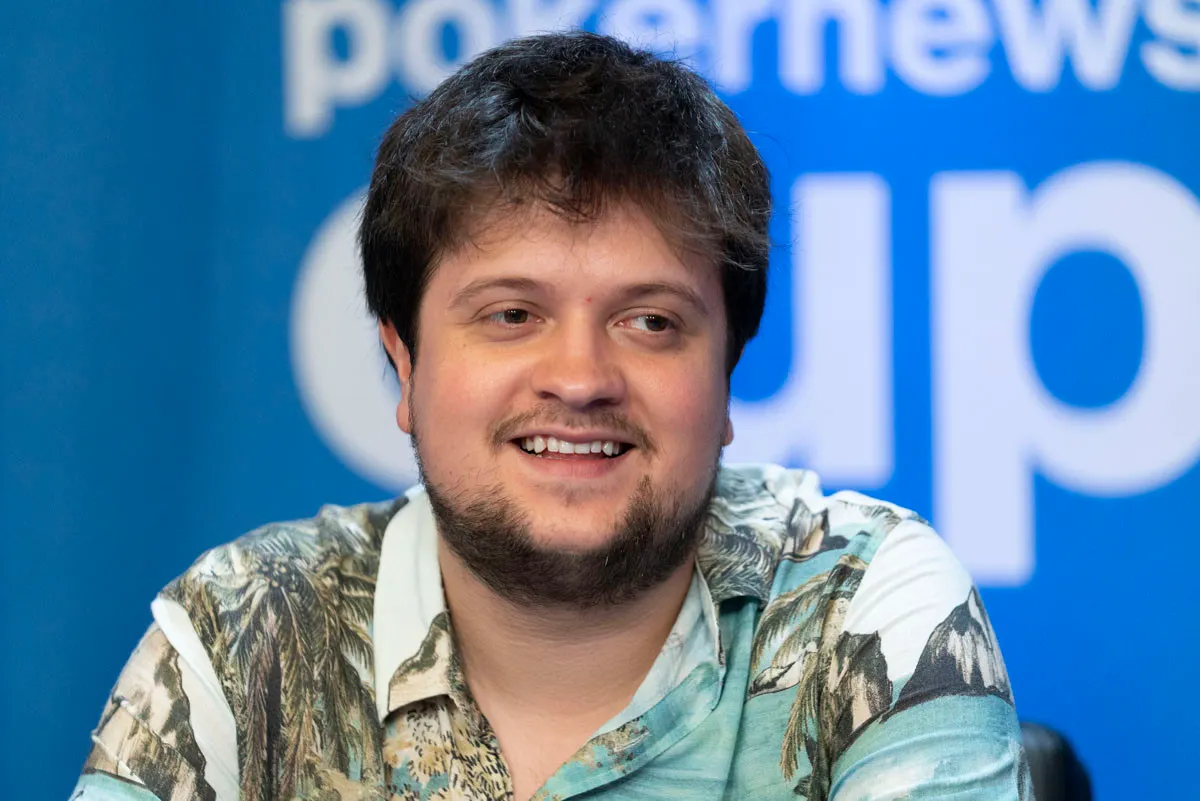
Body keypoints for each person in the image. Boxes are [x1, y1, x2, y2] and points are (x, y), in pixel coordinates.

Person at [73, 31, 1033, 801]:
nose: (579, 378)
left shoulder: (859, 609)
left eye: (650, 321)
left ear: (727, 377)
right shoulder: (247, 631)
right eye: (512, 315)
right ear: (404, 364)